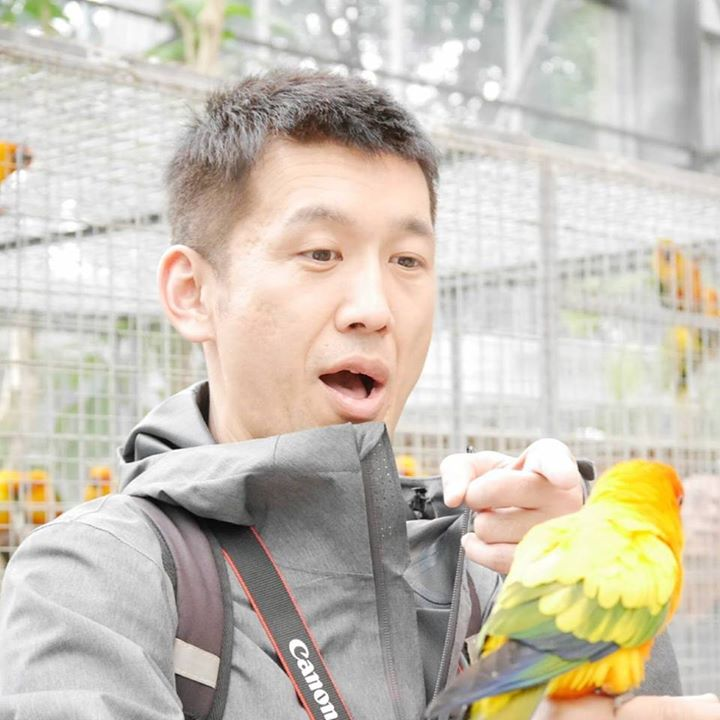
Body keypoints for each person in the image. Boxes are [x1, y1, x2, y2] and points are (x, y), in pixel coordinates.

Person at [0, 70, 714, 720]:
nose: (374, 308)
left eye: (408, 260)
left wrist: (588, 576)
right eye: (320, 253)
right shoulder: (99, 579)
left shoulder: (497, 562)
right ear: (192, 293)